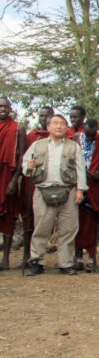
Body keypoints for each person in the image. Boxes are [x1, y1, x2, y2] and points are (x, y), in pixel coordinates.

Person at [22, 114, 87, 276]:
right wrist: (28, 167)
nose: (59, 126)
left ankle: (65, 263)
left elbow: (80, 169)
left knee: (68, 229)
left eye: (62, 124)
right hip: (43, 190)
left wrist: (80, 190)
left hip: (68, 191)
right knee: (41, 228)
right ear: (48, 127)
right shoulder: (37, 145)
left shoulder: (73, 146)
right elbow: (25, 165)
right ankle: (37, 261)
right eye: (55, 123)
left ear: (67, 128)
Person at [73, 119, 99, 272]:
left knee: (93, 223)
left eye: (92, 136)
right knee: (77, 222)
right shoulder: (76, 137)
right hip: (78, 185)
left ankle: (91, 257)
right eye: (87, 135)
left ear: (97, 131)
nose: (89, 138)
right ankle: (77, 257)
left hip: (96, 187)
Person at [22, 106, 54, 268]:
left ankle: (65, 260)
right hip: (34, 184)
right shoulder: (31, 137)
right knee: (31, 220)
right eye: (41, 116)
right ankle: (31, 255)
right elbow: (24, 161)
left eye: (46, 116)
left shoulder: (63, 136)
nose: (43, 119)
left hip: (58, 186)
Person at [0, 98, 26, 270]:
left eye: (5, 106)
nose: (2, 108)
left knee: (8, 216)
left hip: (7, 176)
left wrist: (15, 179)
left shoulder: (18, 128)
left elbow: (22, 155)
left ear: (11, 109)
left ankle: (6, 259)